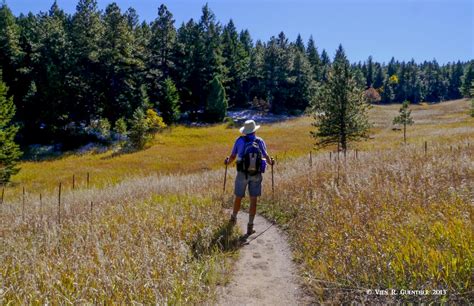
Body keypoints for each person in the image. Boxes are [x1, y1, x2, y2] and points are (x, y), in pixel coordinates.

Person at [224, 119, 274, 236]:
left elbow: (232, 157)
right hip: (256, 174)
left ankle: (233, 219)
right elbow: (266, 156)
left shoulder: (239, 140)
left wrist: (227, 162)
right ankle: (250, 226)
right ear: (254, 130)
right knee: (253, 200)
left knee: (238, 197)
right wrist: (271, 162)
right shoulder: (259, 141)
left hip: (242, 172)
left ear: (245, 131)